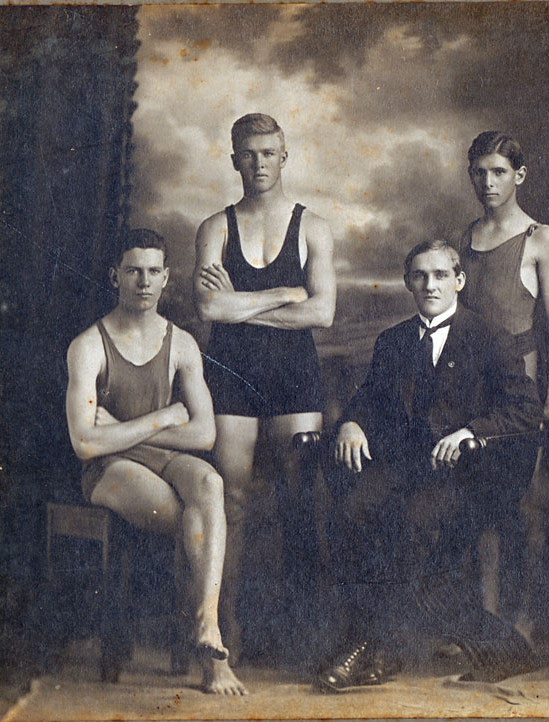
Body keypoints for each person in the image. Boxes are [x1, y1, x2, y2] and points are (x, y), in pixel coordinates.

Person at [315, 240, 545, 693]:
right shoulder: (394, 340)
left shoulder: (488, 337)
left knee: (411, 527)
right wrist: (352, 424)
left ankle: (373, 649)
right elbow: (368, 400)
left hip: (470, 474)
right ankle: (379, 647)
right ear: (408, 283)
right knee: (351, 511)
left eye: (440, 275)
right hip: (406, 468)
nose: (430, 285)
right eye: (420, 276)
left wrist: (471, 432)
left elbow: (525, 409)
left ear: (459, 280)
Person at [65, 229, 246, 695]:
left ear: (166, 278)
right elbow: (84, 445)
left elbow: (204, 434)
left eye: (152, 272)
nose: (143, 281)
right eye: (132, 271)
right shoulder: (88, 346)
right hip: (108, 472)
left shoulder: (182, 343)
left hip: (158, 457)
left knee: (209, 484)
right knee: (196, 524)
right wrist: (164, 416)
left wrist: (118, 432)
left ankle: (207, 626)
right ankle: (213, 660)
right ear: (115, 276)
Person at [194, 113, 336, 663]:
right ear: (234, 159)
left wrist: (241, 305)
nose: (259, 163)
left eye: (269, 153)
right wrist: (284, 292)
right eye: (248, 154)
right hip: (230, 374)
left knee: (302, 498)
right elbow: (209, 307)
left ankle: (301, 636)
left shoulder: (313, 227)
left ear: (285, 156)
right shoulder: (214, 228)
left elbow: (322, 312)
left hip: (294, 377)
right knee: (231, 501)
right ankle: (224, 626)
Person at [452, 131, 549, 632]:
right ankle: (484, 624)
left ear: (519, 176)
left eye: (498, 172)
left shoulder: (542, 238)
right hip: (469, 386)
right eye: (479, 172)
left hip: (520, 382)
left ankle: (521, 626)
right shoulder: (466, 237)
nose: (488, 182)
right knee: (473, 504)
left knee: (521, 503)